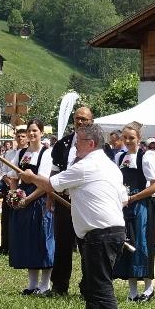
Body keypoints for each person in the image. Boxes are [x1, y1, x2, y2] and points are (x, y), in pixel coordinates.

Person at [22, 122, 127, 309]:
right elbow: (123, 199)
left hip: (101, 233)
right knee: (93, 286)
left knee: (101, 286)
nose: (74, 146)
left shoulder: (87, 166)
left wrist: (30, 177)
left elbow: (51, 183)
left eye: (77, 142)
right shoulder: (110, 167)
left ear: (91, 143)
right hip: (107, 231)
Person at [112, 122, 155, 301]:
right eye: (125, 137)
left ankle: (148, 288)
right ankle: (132, 291)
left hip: (141, 206)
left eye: (131, 138)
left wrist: (134, 197)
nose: (127, 141)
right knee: (127, 243)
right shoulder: (120, 157)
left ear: (139, 138)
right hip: (125, 206)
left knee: (142, 244)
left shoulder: (146, 157)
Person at [48, 105, 95, 296]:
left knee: (87, 245)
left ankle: (88, 286)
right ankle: (59, 286)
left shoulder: (99, 145)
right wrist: (50, 196)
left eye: (84, 119)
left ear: (91, 121)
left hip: (86, 203)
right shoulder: (63, 144)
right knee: (62, 244)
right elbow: (54, 172)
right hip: (64, 201)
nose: (80, 122)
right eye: (77, 118)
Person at [8, 120, 55, 294]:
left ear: (41, 132)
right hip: (23, 201)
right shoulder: (21, 154)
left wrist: (27, 199)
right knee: (27, 240)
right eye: (29, 131)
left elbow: (44, 183)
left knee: (42, 240)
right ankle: (32, 284)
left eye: (35, 130)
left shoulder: (46, 154)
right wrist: (14, 195)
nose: (32, 134)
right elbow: (13, 177)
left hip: (39, 200)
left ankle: (45, 284)